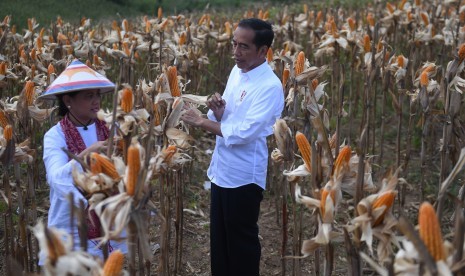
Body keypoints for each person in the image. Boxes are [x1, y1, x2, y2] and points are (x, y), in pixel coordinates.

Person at [181, 18, 284, 276]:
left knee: (241, 246)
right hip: (221, 171)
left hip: (244, 178)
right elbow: (230, 118)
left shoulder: (270, 87)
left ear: (263, 51)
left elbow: (244, 133)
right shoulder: (237, 71)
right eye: (234, 44)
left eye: (244, 47)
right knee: (220, 243)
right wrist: (218, 111)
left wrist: (202, 121)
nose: (236, 53)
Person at [38, 59, 127, 264]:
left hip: (109, 218)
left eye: (97, 95)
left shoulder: (110, 129)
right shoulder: (55, 136)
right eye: (89, 96)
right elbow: (56, 178)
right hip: (71, 223)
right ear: (68, 100)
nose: (96, 101)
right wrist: (87, 154)